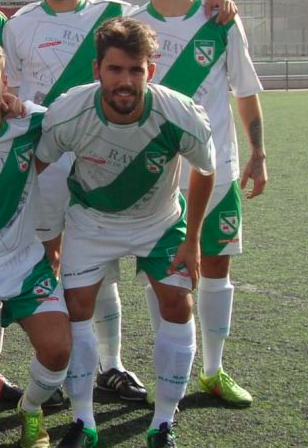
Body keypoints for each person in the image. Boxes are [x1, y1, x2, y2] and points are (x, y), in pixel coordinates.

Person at [2, 0, 236, 402]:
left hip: (102, 142)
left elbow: (166, 14)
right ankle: (46, 375)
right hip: (43, 149)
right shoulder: (18, 23)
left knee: (97, 267)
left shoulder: (117, 9)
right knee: (36, 255)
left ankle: (111, 366)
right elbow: (14, 82)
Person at [35, 17, 215, 448]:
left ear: (149, 71)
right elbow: (37, 167)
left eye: (136, 69)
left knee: (178, 304)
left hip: (158, 221)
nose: (126, 80)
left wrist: (192, 240)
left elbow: (206, 171)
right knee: (77, 308)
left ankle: (163, 424)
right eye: (116, 69)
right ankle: (82, 422)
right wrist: (47, 238)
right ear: (97, 69)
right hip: (91, 222)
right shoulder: (69, 112)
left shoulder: (178, 113)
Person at [134, 0, 267, 406]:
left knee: (217, 265)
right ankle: (168, 372)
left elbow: (244, 91)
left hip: (216, 169)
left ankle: (213, 370)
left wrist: (258, 154)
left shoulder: (222, 18)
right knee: (163, 274)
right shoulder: (134, 22)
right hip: (157, 174)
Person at [0, 46, 71, 448]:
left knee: (58, 349)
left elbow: (86, 115)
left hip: (24, 263)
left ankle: (31, 408)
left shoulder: (29, 121)